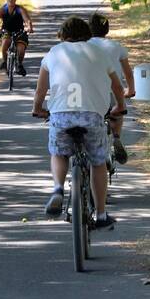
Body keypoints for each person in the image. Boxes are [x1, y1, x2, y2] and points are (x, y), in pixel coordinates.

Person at [32, 15, 126, 229]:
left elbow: (40, 90)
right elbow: (118, 88)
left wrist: (38, 109)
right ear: (87, 34)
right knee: (98, 162)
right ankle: (101, 215)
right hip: (92, 116)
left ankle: (57, 188)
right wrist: (119, 107)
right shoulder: (100, 53)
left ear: (63, 35)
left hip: (61, 115)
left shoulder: (54, 52)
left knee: (58, 152)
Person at [87, 12, 136, 165]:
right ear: (107, 29)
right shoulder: (116, 46)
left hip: (90, 91)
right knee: (117, 113)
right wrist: (131, 90)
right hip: (113, 90)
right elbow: (128, 72)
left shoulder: (84, 45)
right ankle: (116, 137)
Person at [0, 0, 33, 75]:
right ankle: (5, 62)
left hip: (19, 32)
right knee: (5, 43)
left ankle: (19, 65)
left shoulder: (20, 9)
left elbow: (27, 20)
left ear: (15, 0)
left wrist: (29, 27)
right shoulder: (3, 9)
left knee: (20, 49)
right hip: (7, 31)